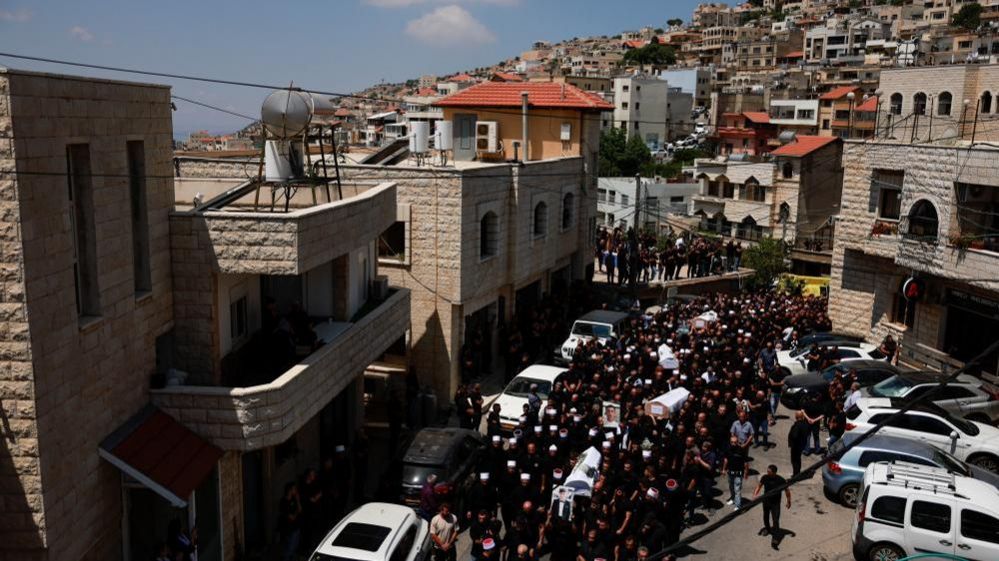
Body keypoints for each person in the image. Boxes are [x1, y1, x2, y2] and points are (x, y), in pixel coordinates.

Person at [753, 464, 791, 548]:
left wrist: (788, 501)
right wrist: (755, 495)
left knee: (775, 520)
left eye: (769, 471)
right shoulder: (765, 477)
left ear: (774, 473)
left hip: (775, 503)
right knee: (765, 517)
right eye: (767, 471)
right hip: (766, 501)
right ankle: (768, 529)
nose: (767, 472)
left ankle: (775, 538)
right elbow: (759, 486)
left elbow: (787, 491)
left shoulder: (780, 480)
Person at [721, 435, 749, 509]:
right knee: (731, 487)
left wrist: (746, 472)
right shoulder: (728, 449)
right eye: (732, 442)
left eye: (735, 442)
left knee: (737, 489)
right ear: (730, 442)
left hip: (738, 473)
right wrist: (723, 469)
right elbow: (726, 460)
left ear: (737, 442)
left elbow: (745, 462)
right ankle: (733, 499)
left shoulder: (742, 450)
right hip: (730, 472)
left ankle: (738, 505)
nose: (733, 444)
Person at [278, 482, 302, 561]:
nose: (296, 490)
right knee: (289, 548)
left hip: (296, 527)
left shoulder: (294, 499)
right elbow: (291, 517)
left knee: (294, 547)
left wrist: (298, 500)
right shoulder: (284, 502)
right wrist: (296, 513)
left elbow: (300, 510)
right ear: (290, 490)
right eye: (294, 489)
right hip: (288, 528)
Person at [787, 411, 809, 476]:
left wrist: (792, 441)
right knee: (798, 459)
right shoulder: (805, 424)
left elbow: (795, 435)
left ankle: (795, 474)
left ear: (796, 417)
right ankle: (798, 472)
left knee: (794, 460)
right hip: (802, 444)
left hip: (796, 445)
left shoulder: (797, 425)